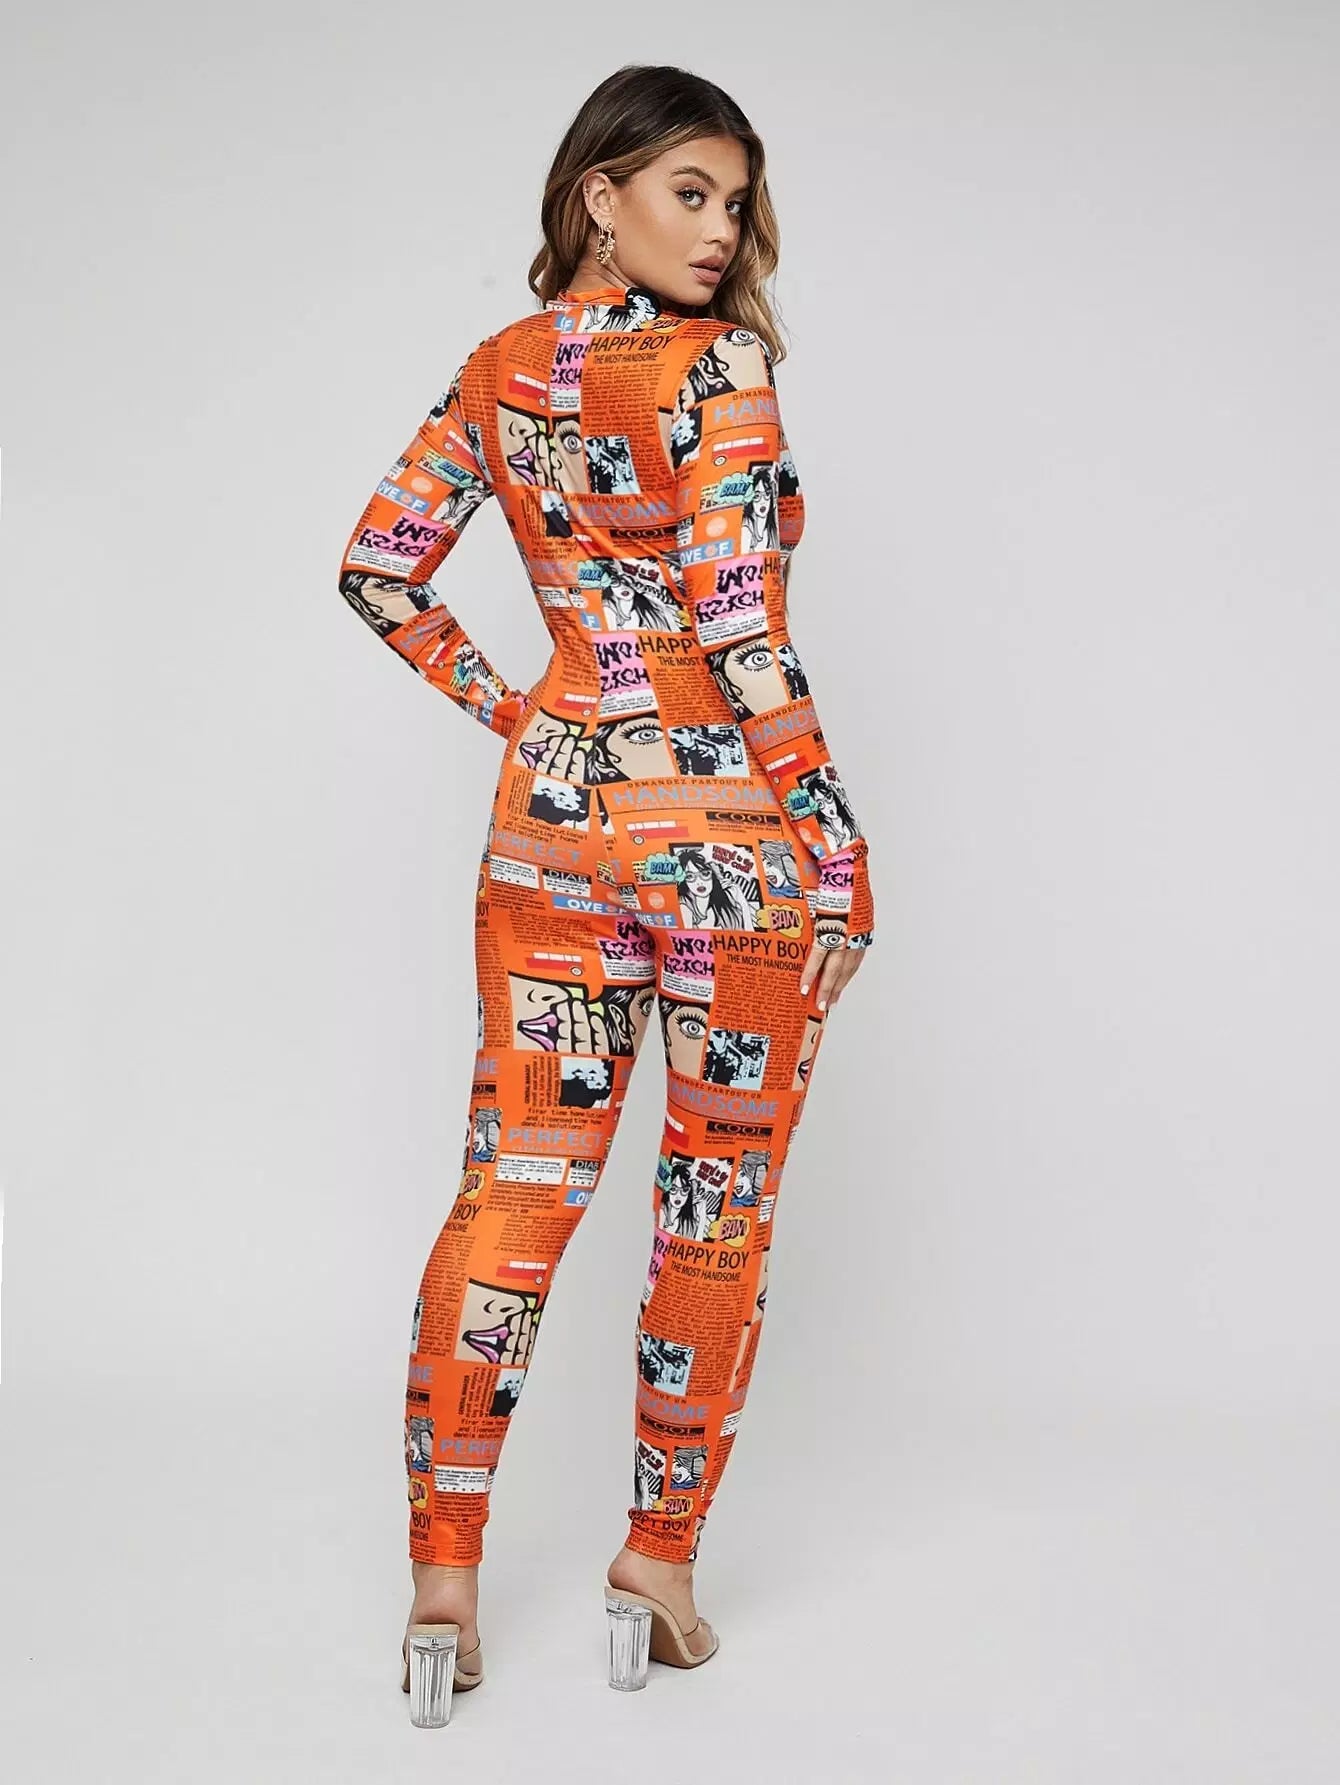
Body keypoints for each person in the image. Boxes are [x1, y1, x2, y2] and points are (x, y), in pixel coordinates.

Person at [337, 62, 877, 1713]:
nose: (719, 233)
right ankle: (657, 1567)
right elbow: (742, 627)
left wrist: (529, 715)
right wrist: (836, 845)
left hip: (555, 830)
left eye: (735, 202)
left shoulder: (499, 373)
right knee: (712, 1213)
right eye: (689, 193)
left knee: (509, 1193)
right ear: (602, 195)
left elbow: (378, 564)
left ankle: (443, 1589)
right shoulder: (720, 369)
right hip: (727, 846)